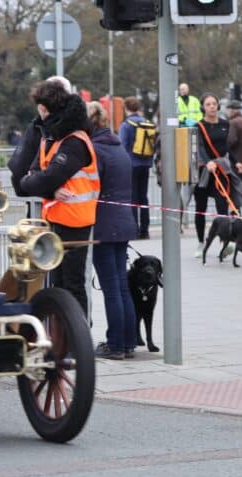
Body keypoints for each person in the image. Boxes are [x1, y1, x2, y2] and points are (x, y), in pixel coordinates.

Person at [8, 80, 99, 316]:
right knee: (58, 284)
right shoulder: (53, 138)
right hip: (56, 217)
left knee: (72, 284)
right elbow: (32, 176)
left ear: (46, 109)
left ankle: (76, 340)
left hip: (74, 221)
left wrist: (40, 182)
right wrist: (46, 187)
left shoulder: (74, 141)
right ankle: (62, 341)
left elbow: (42, 178)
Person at [87, 101, 137, 360]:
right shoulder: (119, 148)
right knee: (122, 286)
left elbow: (91, 187)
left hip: (104, 226)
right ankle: (128, 342)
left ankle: (115, 344)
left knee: (111, 289)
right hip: (124, 222)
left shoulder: (95, 150)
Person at [192, 92, 242, 258]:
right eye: (208, 104)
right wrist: (208, 162)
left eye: (214, 104)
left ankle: (225, 244)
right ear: (203, 107)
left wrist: (236, 161)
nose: (212, 107)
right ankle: (201, 243)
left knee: (223, 207)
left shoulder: (225, 124)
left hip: (221, 170)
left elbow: (227, 147)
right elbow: (200, 147)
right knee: (200, 208)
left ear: (218, 106)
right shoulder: (198, 126)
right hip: (204, 171)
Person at [119, 96, 153, 239]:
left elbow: (122, 146)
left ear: (126, 108)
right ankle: (145, 230)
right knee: (143, 197)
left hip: (131, 164)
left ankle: (134, 229)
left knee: (132, 198)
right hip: (145, 164)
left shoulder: (126, 125)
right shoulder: (146, 122)